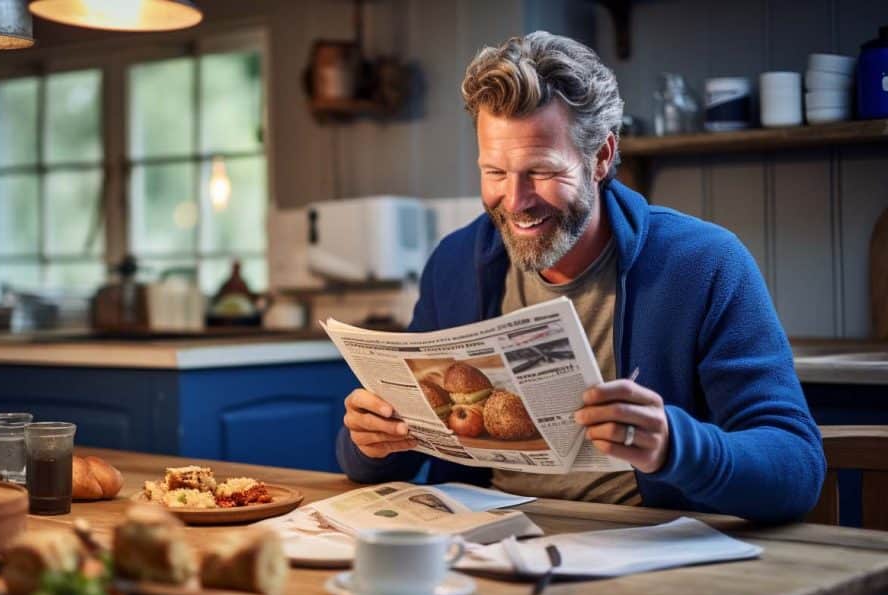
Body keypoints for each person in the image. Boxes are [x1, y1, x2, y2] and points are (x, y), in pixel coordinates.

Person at [337, 31, 825, 524]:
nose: (516, 201)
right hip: (482, 545)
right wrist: (371, 442)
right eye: (495, 172)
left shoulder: (704, 263)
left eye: (542, 171)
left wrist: (676, 446)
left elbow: (798, 469)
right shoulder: (456, 262)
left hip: (643, 553)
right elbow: (390, 453)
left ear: (602, 157)